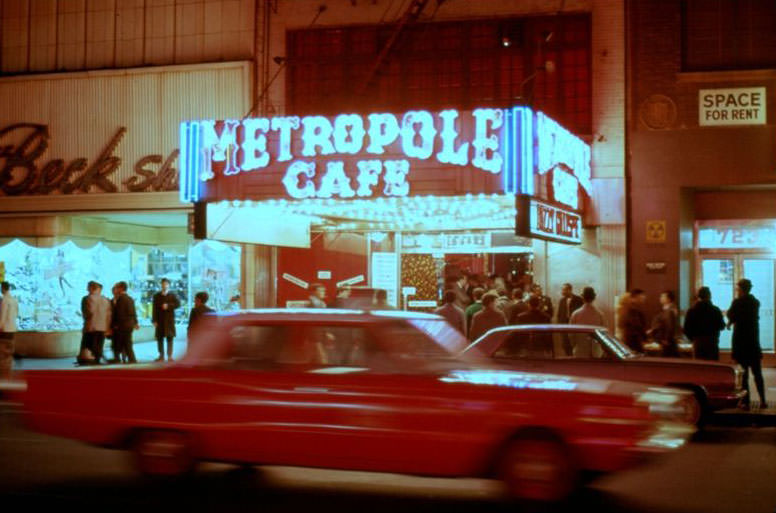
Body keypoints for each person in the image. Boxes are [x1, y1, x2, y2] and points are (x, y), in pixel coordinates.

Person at [727, 279, 766, 409]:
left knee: (744, 376)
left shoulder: (738, 302)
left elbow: (730, 315)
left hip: (741, 344)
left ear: (741, 289)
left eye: (738, 289)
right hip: (753, 343)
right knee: (758, 374)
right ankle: (763, 399)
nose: (737, 291)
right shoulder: (755, 302)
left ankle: (746, 401)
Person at [683, 286, 725, 361]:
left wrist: (693, 338)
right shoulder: (715, 310)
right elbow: (722, 326)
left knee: (700, 366)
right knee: (713, 366)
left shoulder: (692, 310)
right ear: (709, 296)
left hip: (698, 341)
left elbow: (686, 328)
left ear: (698, 296)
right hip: (712, 341)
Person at [81, 281, 111, 364]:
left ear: (91, 288)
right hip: (102, 327)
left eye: (88, 287)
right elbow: (109, 315)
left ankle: (87, 360)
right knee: (99, 346)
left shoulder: (86, 299)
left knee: (88, 346)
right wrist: (108, 327)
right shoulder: (106, 300)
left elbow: (87, 313)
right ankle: (97, 360)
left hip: (90, 326)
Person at [152, 278, 181, 362]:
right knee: (159, 338)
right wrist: (154, 320)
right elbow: (154, 309)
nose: (164, 285)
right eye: (163, 284)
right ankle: (161, 355)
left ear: (169, 285)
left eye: (166, 284)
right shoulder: (156, 296)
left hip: (169, 320)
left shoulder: (173, 295)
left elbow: (178, 304)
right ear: (161, 285)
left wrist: (168, 306)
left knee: (170, 338)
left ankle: (169, 356)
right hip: (159, 319)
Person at [111, 281, 138, 364]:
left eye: (118, 287)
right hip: (129, 325)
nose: (116, 289)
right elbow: (133, 312)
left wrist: (115, 325)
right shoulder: (130, 299)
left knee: (120, 343)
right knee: (128, 343)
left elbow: (120, 314)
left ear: (121, 288)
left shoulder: (121, 299)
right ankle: (131, 359)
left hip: (122, 326)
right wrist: (135, 323)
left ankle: (124, 359)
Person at [649, 290, 680, 357]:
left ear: (668, 299)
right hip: (667, 340)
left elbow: (669, 325)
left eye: (663, 296)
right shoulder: (669, 309)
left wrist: (666, 339)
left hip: (667, 341)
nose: (660, 298)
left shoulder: (669, 310)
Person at [0, 282, 19, 379]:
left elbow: (3, 316)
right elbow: (16, 313)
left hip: (5, 329)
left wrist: (0, 326)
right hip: (12, 327)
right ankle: (10, 367)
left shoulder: (4, 300)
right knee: (10, 348)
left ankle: (4, 369)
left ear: (3, 289)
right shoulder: (14, 300)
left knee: (3, 350)